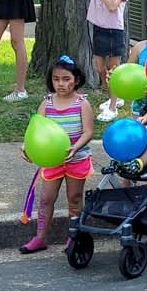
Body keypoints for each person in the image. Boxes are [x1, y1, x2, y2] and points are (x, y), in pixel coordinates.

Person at [19, 57, 95, 254]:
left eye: (66, 79)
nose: (60, 84)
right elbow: (36, 128)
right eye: (56, 79)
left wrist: (75, 147)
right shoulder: (47, 102)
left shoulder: (81, 103)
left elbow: (88, 131)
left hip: (76, 160)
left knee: (75, 198)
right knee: (46, 198)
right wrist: (27, 146)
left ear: (76, 80)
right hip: (52, 161)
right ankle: (40, 237)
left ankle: (73, 237)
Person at [72, 0, 130, 121]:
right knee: (99, 69)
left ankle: (112, 107)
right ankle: (116, 96)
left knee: (113, 71)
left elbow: (113, 7)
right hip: (98, 28)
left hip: (114, 32)